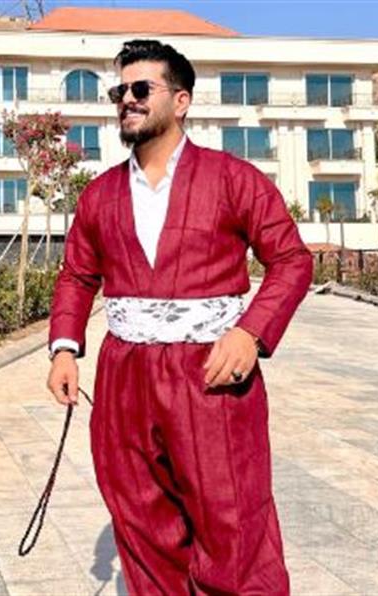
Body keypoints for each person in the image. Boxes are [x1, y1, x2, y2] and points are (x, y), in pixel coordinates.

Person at [46, 39, 313, 596]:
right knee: (140, 516)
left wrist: (250, 333)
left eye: (142, 88)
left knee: (231, 517)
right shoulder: (98, 195)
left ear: (182, 100)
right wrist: (65, 348)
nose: (128, 99)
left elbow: (291, 259)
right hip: (124, 379)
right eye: (120, 91)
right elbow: (77, 275)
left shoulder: (233, 179)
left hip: (209, 375)